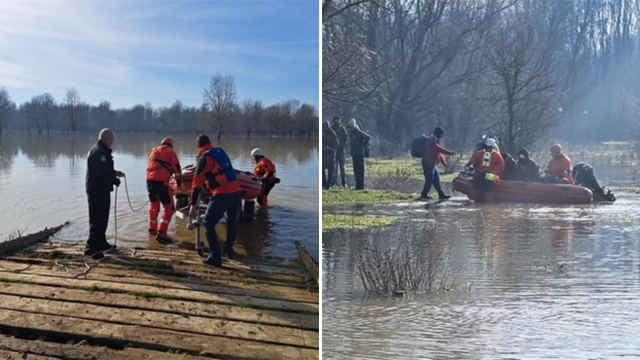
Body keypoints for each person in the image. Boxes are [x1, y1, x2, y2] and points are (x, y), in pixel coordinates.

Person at [188, 135, 242, 267]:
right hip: (236, 191)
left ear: (198, 146)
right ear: (209, 143)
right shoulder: (219, 152)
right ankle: (228, 250)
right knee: (231, 222)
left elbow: (196, 184)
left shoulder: (205, 158)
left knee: (208, 222)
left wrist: (193, 204)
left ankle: (215, 256)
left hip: (222, 193)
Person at [85, 128, 125, 260]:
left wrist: (115, 173)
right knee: (97, 220)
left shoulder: (99, 150)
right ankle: (91, 249)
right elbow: (102, 174)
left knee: (103, 218)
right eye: (111, 140)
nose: (112, 143)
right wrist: (114, 180)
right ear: (105, 138)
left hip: (100, 189)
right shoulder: (99, 152)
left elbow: (105, 170)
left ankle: (101, 243)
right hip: (97, 191)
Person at [146, 137, 181, 244]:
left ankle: (152, 230)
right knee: (169, 208)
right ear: (171, 145)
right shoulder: (171, 151)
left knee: (154, 206)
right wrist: (179, 184)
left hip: (149, 182)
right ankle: (162, 234)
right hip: (162, 183)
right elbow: (176, 168)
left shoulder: (153, 150)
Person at [420, 126, 456, 199]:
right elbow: (438, 149)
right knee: (429, 180)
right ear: (438, 134)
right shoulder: (432, 140)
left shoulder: (436, 140)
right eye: (441, 135)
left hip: (432, 164)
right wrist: (449, 152)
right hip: (427, 163)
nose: (441, 137)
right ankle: (424, 195)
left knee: (436, 180)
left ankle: (441, 194)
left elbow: (438, 153)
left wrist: (443, 162)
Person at [346, 118, 371, 190]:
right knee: (356, 170)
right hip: (354, 154)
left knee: (360, 170)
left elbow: (368, 137)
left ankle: (361, 185)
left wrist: (363, 145)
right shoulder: (352, 133)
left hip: (359, 154)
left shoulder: (358, 132)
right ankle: (357, 185)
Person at [331, 116, 348, 187]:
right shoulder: (331, 129)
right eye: (336, 120)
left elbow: (346, 138)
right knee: (334, 167)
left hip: (341, 150)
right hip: (334, 150)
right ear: (333, 121)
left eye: (338, 120)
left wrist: (343, 146)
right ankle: (334, 182)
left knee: (342, 167)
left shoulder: (343, 129)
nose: (337, 122)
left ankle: (344, 183)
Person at [322, 121, 339, 189]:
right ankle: (324, 183)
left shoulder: (333, 133)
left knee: (330, 170)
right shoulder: (323, 132)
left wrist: (328, 148)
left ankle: (329, 184)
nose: (324, 127)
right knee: (322, 169)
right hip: (323, 154)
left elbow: (337, 144)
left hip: (330, 154)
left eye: (325, 126)